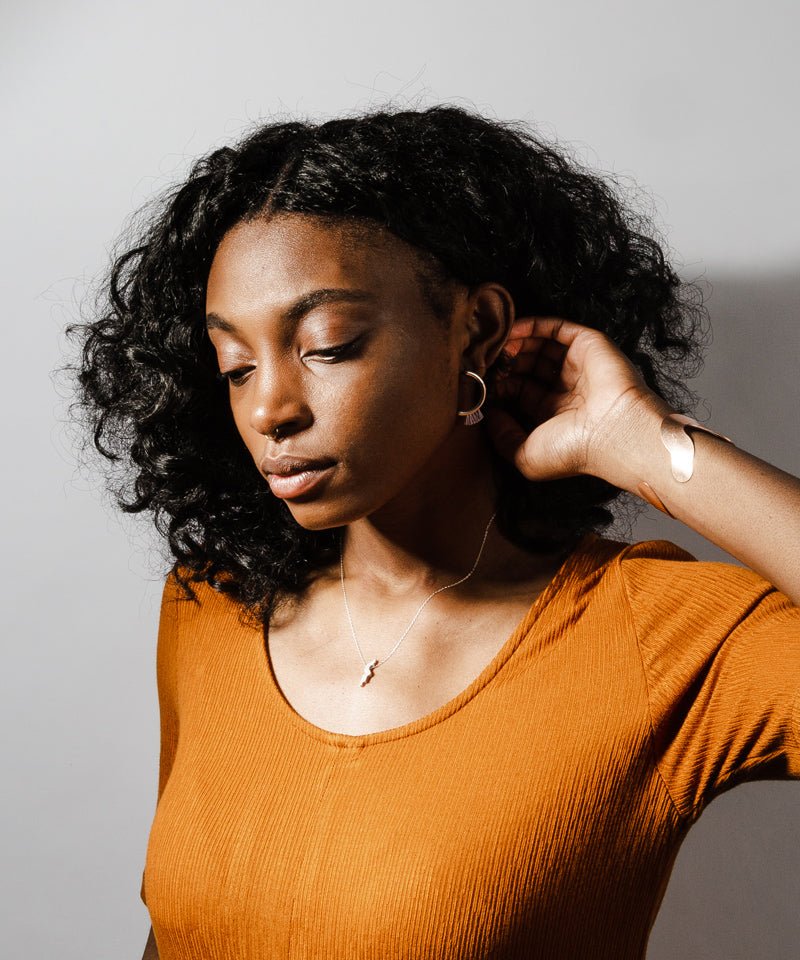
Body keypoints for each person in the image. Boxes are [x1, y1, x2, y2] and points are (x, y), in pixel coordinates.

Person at [68, 104, 800, 960]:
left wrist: (643, 446)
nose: (267, 408)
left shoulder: (658, 638)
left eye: (327, 346)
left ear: (476, 329)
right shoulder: (210, 605)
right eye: (235, 364)